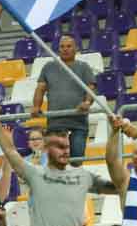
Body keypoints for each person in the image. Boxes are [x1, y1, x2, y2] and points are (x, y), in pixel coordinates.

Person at [0, 98, 126, 226]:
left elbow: (119, 186)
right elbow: (10, 151)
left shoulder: (83, 176)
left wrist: (114, 133)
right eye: (60, 147)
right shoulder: (34, 174)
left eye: (67, 147)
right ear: (46, 149)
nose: (65, 151)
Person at [32, 35, 96, 163]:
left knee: (76, 162)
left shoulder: (84, 67)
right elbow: (40, 88)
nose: (65, 49)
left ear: (75, 48)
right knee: (57, 162)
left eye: (69, 46)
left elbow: (91, 88)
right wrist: (36, 106)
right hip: (55, 123)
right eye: (62, 46)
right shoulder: (48, 67)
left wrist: (87, 102)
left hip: (78, 123)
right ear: (58, 49)